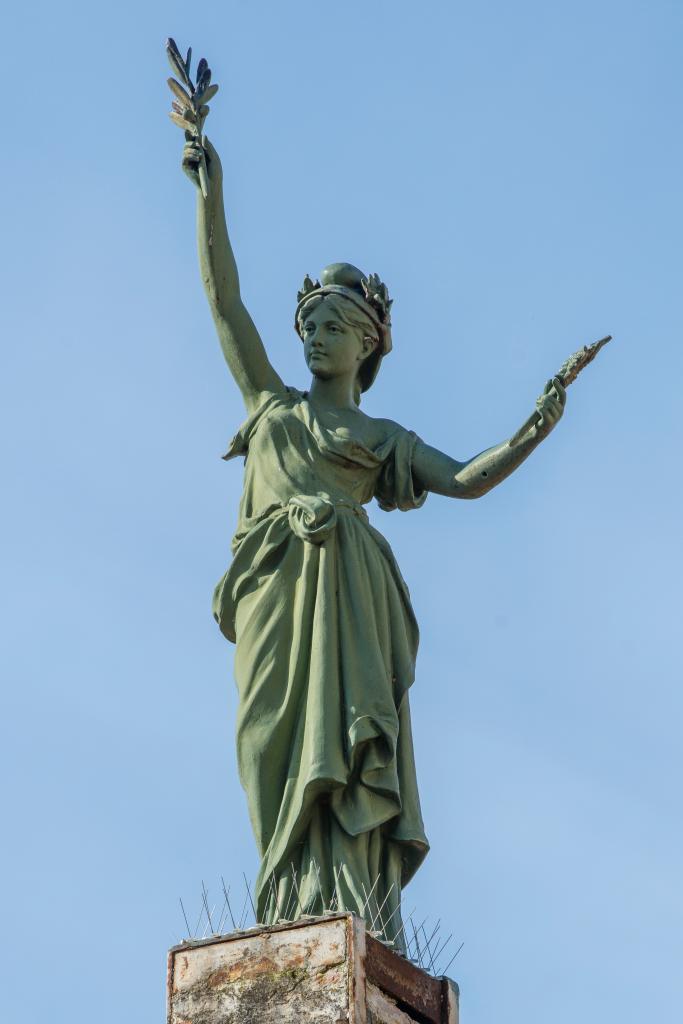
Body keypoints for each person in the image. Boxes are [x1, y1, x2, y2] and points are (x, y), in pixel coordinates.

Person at [180, 135, 566, 947]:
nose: (314, 339)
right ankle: (283, 897)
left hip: (349, 591)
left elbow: (463, 478)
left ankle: (348, 898)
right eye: (308, 326)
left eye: (332, 328)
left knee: (349, 742)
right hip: (276, 595)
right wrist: (209, 190)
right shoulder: (271, 406)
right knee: (267, 744)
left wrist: (531, 429)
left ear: (366, 344)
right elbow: (224, 302)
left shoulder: (382, 436)